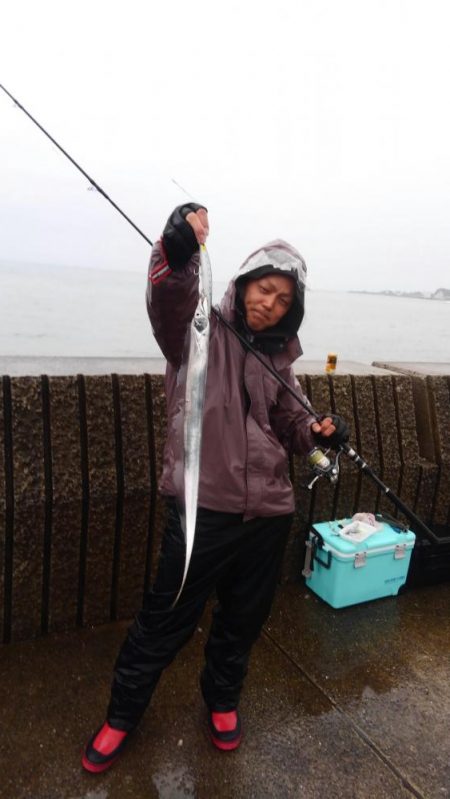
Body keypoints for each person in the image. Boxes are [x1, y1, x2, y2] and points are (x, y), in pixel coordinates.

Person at [82, 204, 349, 773]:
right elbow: (169, 301)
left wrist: (317, 429)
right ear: (245, 282)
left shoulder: (278, 356)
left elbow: (289, 423)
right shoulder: (197, 328)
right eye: (264, 290)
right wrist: (176, 251)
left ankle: (222, 700)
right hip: (205, 508)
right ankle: (122, 713)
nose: (268, 304)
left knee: (243, 618)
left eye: (282, 300)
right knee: (166, 617)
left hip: (270, 513)